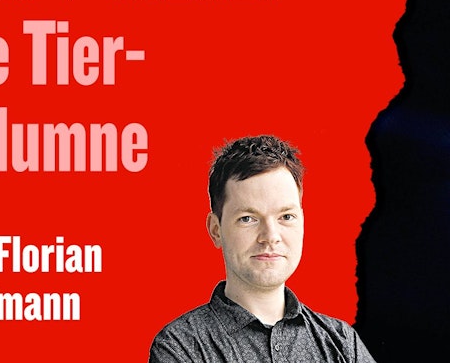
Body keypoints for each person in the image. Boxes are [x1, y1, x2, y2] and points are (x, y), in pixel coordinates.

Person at [150, 135, 375, 362]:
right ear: (216, 230)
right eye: (248, 218)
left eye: (286, 216)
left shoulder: (342, 342)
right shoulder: (181, 347)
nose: (270, 237)